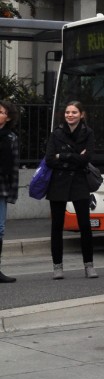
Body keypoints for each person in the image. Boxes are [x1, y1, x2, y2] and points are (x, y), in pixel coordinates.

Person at [45, 100, 97, 279]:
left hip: (79, 182)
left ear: (81, 114)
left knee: (85, 225)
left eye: (74, 112)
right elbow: (50, 159)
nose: (70, 115)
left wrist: (63, 156)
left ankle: (89, 265)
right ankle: (57, 266)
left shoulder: (88, 132)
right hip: (58, 183)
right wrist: (75, 156)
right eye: (67, 112)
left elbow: (88, 157)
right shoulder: (56, 133)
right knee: (56, 227)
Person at [0, 101, 19, 283]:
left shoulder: (11, 138)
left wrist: (13, 193)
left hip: (2, 188)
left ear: (8, 117)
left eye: (1, 112)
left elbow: (14, 167)